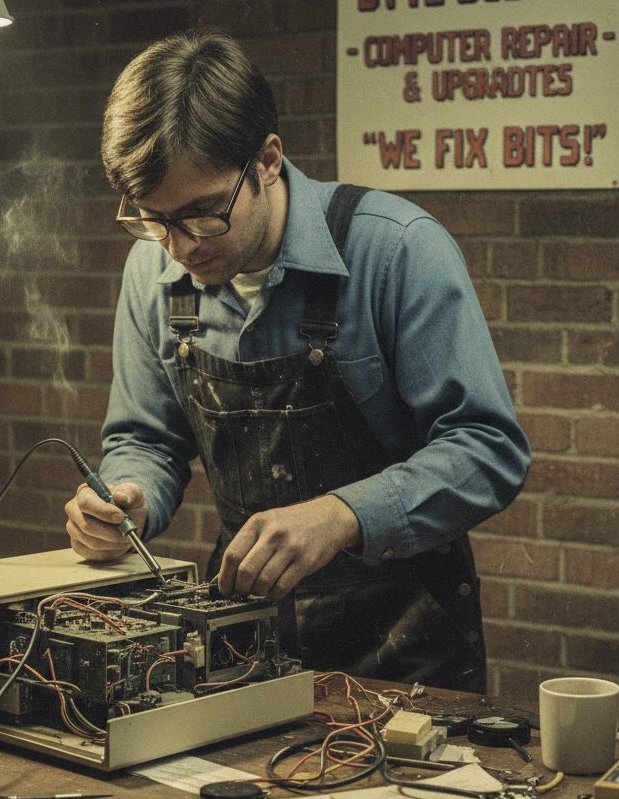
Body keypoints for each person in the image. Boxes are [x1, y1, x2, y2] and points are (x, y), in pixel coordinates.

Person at [64, 30, 530, 693]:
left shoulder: (396, 251)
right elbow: (145, 438)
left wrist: (342, 515)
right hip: (241, 635)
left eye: (201, 215)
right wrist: (128, 498)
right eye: (152, 219)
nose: (179, 248)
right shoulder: (152, 269)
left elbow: (488, 449)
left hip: (406, 637)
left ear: (268, 160)